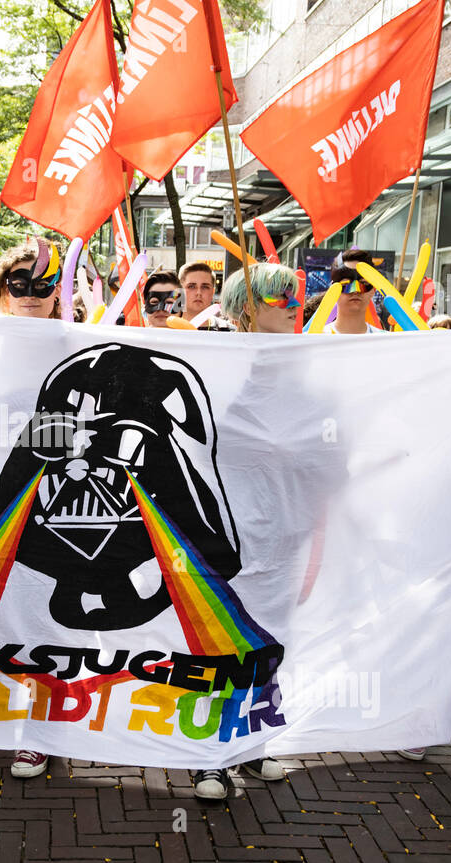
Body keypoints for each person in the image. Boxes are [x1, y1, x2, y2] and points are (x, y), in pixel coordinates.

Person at [177, 262, 308, 799]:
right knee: (220, 639)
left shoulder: (305, 373)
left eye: (296, 298)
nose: (296, 306)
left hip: (284, 536)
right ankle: (210, 754)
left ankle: (252, 742)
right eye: (282, 299)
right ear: (248, 310)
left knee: (271, 641)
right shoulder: (215, 372)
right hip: (225, 539)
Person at [0, 238, 62, 778]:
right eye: (19, 285)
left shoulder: (81, 343)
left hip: (59, 505)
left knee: (43, 615)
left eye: (42, 286)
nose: (31, 295)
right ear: (2, 291)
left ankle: (40, 730)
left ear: (60, 293)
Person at [0, 238, 62, 322]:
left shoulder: (72, 334)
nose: (29, 296)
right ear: (6, 290)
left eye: (41, 285)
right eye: (19, 285)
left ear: (57, 290)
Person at [326, 250, 385, 335]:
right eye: (346, 284)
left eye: (363, 283)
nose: (356, 290)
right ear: (333, 290)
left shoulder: (384, 342)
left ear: (373, 290)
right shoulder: (315, 340)